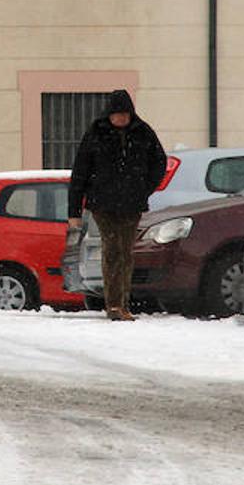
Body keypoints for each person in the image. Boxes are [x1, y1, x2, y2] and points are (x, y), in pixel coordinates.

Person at [67, 89, 167, 322]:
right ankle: (113, 305)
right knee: (113, 249)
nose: (121, 119)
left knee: (126, 252)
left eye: (124, 114)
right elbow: (80, 173)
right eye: (116, 114)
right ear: (108, 115)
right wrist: (74, 211)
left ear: (131, 114)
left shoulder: (143, 132)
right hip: (103, 204)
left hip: (132, 204)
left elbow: (159, 162)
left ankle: (122, 303)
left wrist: (144, 188)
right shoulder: (96, 133)